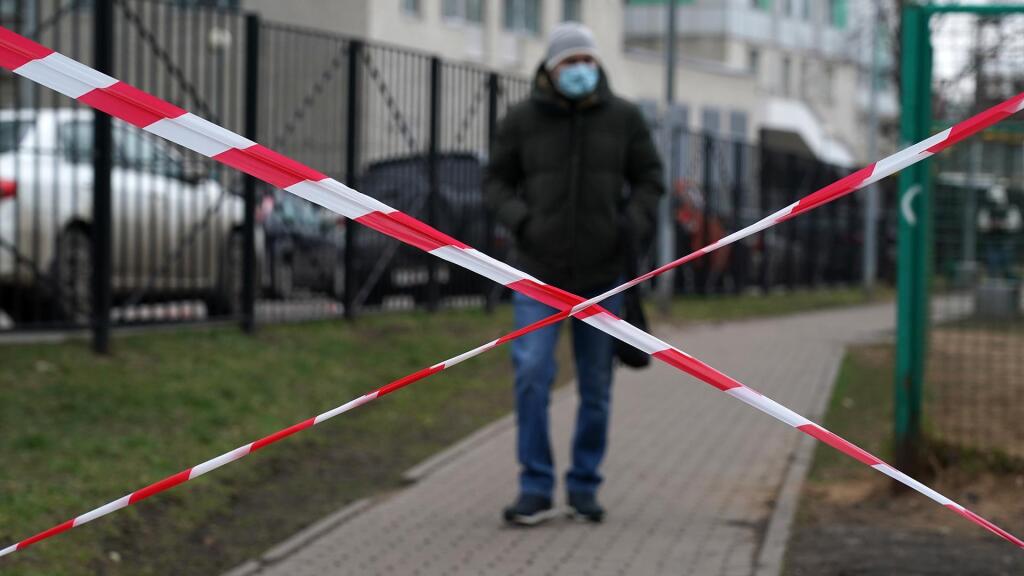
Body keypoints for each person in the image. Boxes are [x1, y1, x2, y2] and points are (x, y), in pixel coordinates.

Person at [484, 22, 664, 526]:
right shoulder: (521, 120)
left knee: (597, 386)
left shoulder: (624, 118)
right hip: (537, 274)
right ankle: (535, 487)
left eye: (587, 60)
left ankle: (584, 485)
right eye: (570, 62)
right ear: (551, 68)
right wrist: (522, 222)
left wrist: (631, 223)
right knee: (530, 374)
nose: (580, 69)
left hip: (603, 276)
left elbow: (650, 178)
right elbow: (495, 181)